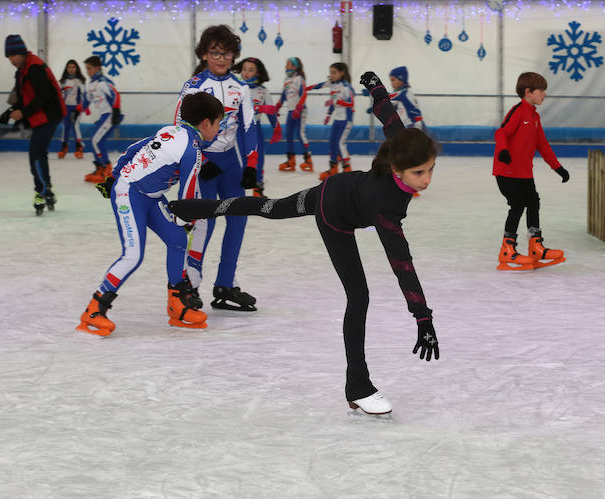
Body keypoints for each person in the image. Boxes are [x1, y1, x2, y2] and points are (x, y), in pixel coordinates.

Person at [166, 72, 440, 416]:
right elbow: (402, 263)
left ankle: (183, 209)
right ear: (399, 169)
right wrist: (422, 317)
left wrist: (375, 87)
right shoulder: (385, 206)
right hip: (334, 211)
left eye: (431, 169)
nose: (427, 180)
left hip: (337, 188)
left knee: (267, 207)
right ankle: (358, 384)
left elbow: (389, 116)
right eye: (419, 174)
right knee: (359, 295)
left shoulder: (401, 146)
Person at [77, 92, 225, 336]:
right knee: (133, 255)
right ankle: (94, 309)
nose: (219, 130)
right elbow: (187, 194)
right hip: (129, 194)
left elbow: (134, 148)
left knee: (178, 240)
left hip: (150, 196)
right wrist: (186, 220)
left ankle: (177, 305)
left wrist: (114, 174)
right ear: (206, 123)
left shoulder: (172, 130)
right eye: (219, 123)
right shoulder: (192, 150)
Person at [173, 25, 259, 312]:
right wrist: (202, 160)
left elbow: (249, 128)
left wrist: (251, 165)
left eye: (227, 53)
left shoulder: (241, 87)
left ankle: (225, 285)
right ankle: (190, 284)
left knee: (238, 220)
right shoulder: (194, 85)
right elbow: (180, 127)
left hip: (230, 163)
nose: (221, 59)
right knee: (203, 224)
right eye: (215, 53)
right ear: (204, 54)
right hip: (202, 161)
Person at [493, 72, 569, 271]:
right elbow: (501, 132)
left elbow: (542, 145)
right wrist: (503, 151)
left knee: (533, 203)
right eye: (541, 91)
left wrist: (558, 167)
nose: (544, 94)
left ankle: (536, 245)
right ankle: (507, 249)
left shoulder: (534, 116)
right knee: (518, 205)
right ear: (528, 92)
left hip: (525, 173)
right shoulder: (518, 112)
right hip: (507, 172)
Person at [5, 34, 66, 215]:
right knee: (39, 154)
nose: (11, 60)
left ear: (22, 53)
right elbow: (25, 96)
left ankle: (41, 190)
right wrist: (14, 110)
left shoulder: (35, 68)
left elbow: (43, 95)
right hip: (41, 116)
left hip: (49, 115)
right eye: (8, 57)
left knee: (36, 154)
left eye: (14, 55)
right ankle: (45, 188)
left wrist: (23, 113)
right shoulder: (24, 69)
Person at [233, 57, 281, 198]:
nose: (246, 73)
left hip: (255, 129)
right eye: (244, 69)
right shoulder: (236, 88)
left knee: (258, 158)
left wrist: (276, 128)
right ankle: (236, 190)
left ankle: (258, 189)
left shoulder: (263, 91)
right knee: (239, 159)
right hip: (237, 130)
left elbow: (271, 112)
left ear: (258, 73)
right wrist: (259, 107)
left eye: (251, 70)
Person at [308, 62, 354, 180]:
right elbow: (321, 85)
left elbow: (351, 104)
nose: (331, 75)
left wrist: (340, 102)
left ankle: (347, 168)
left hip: (346, 120)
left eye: (334, 73)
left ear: (342, 73)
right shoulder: (333, 84)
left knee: (340, 143)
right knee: (332, 141)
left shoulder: (346, 87)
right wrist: (307, 88)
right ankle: (333, 168)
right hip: (337, 119)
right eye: (330, 73)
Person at [81, 55, 122, 183]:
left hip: (110, 115)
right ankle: (100, 168)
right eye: (86, 69)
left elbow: (115, 94)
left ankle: (107, 168)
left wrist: (115, 111)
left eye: (90, 68)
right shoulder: (90, 85)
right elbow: (86, 100)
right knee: (97, 141)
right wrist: (77, 111)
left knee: (95, 141)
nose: (88, 71)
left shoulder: (103, 82)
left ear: (98, 68)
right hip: (104, 116)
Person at [276, 57, 313, 173]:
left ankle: (308, 160)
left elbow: (304, 94)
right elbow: (283, 96)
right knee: (288, 135)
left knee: (300, 134)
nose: (286, 66)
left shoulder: (299, 79)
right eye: (286, 64)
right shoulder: (286, 79)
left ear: (295, 66)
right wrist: (277, 107)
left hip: (300, 110)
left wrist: (299, 107)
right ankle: (291, 161)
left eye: (288, 64)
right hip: (291, 110)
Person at [57, 59, 86, 159]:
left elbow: (84, 96)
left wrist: (78, 108)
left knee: (75, 126)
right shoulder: (63, 81)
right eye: (69, 67)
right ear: (66, 68)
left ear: (76, 68)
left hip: (76, 107)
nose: (71, 69)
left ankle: (79, 147)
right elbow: (60, 95)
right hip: (66, 107)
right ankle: (64, 146)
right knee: (66, 127)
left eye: (73, 67)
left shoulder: (79, 81)